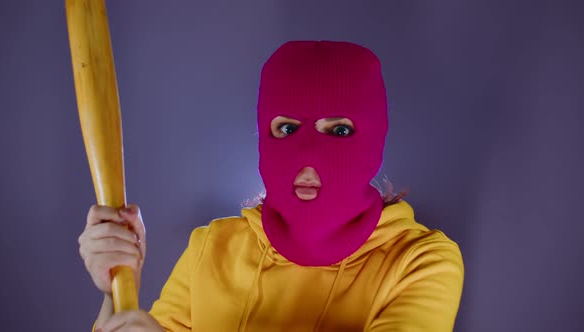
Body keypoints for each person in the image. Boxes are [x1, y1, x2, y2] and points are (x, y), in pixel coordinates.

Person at [79, 41, 464, 332]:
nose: (309, 153)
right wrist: (116, 293)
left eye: (339, 130)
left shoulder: (422, 263)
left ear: (375, 140)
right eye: (288, 128)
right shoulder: (211, 248)